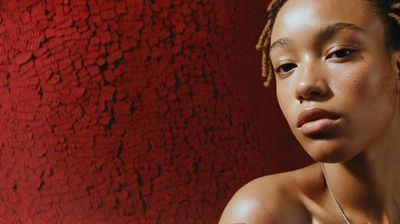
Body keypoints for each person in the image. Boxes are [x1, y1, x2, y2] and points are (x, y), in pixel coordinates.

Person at [219, 0, 400, 223]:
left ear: (397, 65)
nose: (304, 86)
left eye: (339, 52)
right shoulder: (265, 214)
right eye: (286, 67)